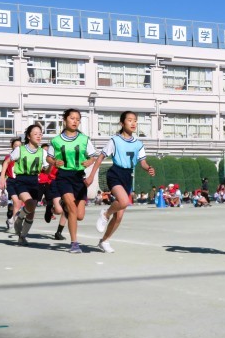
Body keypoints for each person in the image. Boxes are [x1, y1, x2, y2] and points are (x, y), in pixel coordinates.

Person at [87, 111, 155, 253]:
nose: (133, 123)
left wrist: (148, 168)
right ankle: (105, 214)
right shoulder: (115, 141)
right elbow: (100, 158)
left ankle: (104, 241)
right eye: (129, 120)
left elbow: (142, 162)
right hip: (115, 174)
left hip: (127, 176)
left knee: (119, 216)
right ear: (122, 123)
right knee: (123, 202)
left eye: (135, 120)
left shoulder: (138, 144)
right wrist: (92, 176)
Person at [47, 108, 96, 253]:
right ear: (65, 120)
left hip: (79, 177)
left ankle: (65, 205)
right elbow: (48, 157)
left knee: (79, 216)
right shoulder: (55, 140)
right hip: (63, 177)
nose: (75, 121)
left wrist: (89, 161)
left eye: (78, 119)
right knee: (73, 209)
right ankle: (74, 244)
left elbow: (93, 156)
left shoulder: (84, 139)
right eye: (72, 118)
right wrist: (54, 162)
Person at [0, 124, 48, 245]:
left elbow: (47, 170)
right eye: (35, 134)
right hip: (21, 180)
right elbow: (6, 162)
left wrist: (53, 164)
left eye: (40, 134)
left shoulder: (42, 152)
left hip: (34, 181)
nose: (38, 136)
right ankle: (20, 217)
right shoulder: (20, 149)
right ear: (28, 136)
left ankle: (22, 236)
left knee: (31, 212)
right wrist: (2, 179)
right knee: (30, 203)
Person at [1, 137, 23, 231]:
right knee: (13, 204)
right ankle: (11, 219)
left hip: (21, 182)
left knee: (17, 204)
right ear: (12, 146)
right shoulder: (8, 158)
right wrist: (2, 180)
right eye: (16, 145)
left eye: (19, 145)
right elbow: (4, 170)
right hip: (11, 182)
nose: (18, 147)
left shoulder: (24, 156)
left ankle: (12, 221)